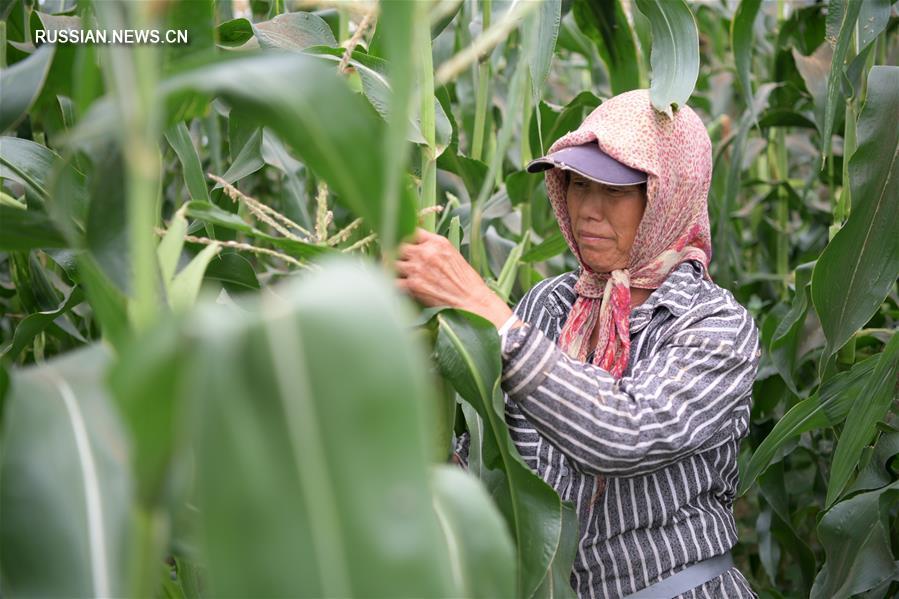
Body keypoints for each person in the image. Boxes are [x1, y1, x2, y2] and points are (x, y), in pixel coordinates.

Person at [395, 89, 760, 599]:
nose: (587, 209)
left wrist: (487, 311)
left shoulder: (716, 326)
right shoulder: (549, 304)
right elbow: (493, 458)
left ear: (668, 197)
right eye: (577, 184)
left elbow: (625, 433)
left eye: (614, 190)